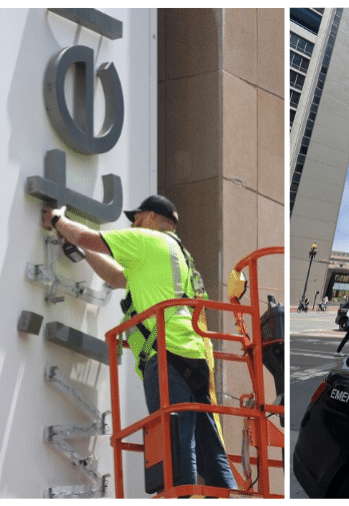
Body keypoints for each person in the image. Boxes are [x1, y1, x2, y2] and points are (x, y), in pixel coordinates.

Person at [41, 195, 236, 491]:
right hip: (193, 355)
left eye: (139, 217)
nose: (134, 224)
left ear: (156, 218)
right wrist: (78, 246)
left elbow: (90, 238)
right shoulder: (177, 253)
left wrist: (57, 220)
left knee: (175, 444)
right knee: (209, 444)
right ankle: (228, 494)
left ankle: (178, 497)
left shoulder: (147, 240)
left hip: (166, 354)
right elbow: (115, 276)